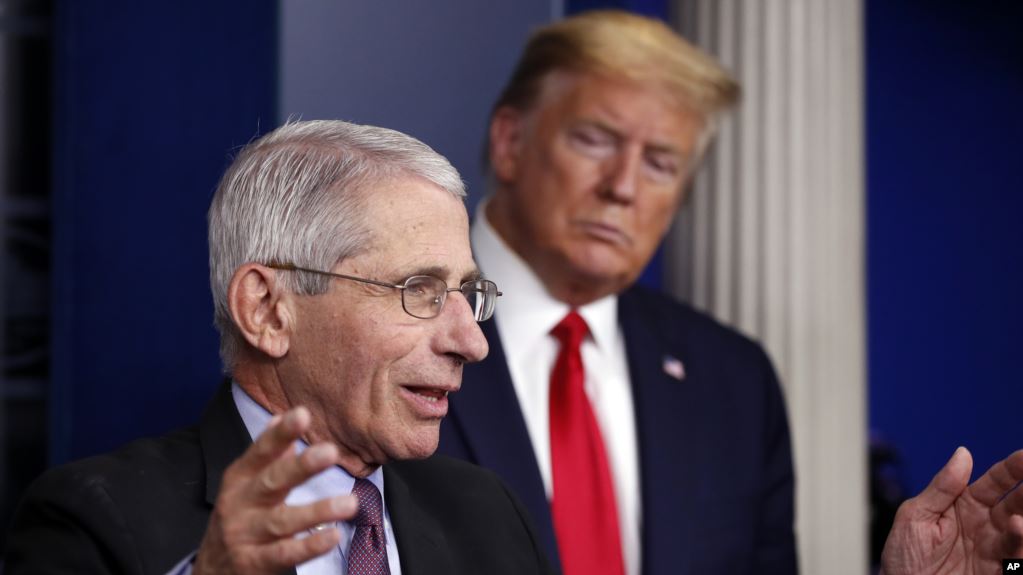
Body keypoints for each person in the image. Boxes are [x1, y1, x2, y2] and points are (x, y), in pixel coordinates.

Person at [435, 9, 1023, 575]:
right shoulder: (405, 323)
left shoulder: (735, 382)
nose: (623, 186)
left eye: (660, 163)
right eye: (594, 140)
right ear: (510, 141)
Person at [4, 120, 553, 575]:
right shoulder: (93, 519)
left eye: (468, 293)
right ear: (266, 310)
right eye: (419, 290)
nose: (472, 342)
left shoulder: (489, 513)